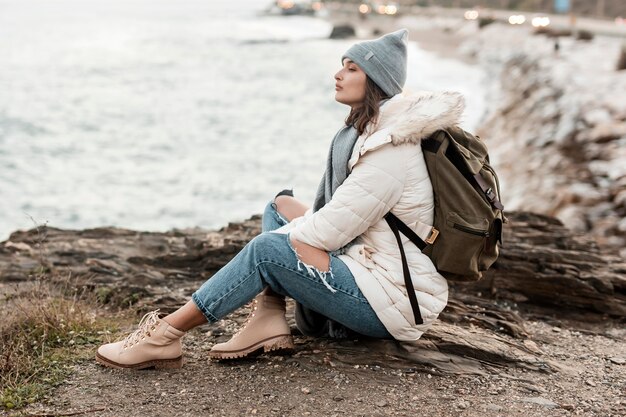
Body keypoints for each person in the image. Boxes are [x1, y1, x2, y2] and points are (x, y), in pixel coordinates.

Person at [96, 29, 462, 370]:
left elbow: (330, 233)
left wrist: (280, 247)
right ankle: (268, 318)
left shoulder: (390, 151)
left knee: (268, 250)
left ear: (376, 82)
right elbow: (335, 221)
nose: (338, 74)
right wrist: (293, 234)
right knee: (280, 208)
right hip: (369, 269)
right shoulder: (372, 134)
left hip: (392, 303)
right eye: (341, 65)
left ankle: (164, 337)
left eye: (352, 69)